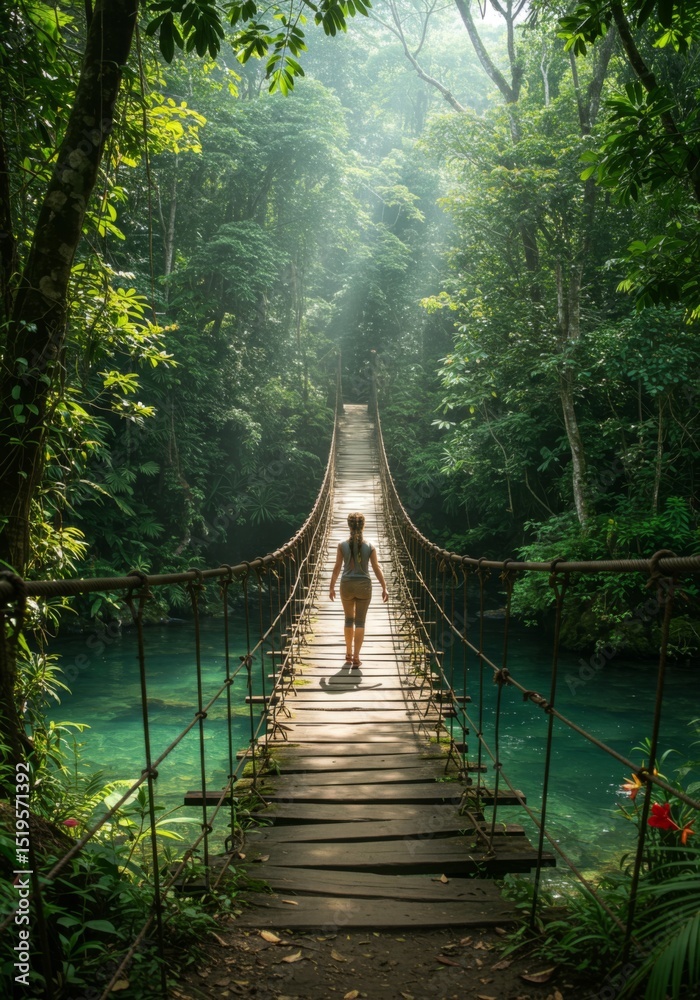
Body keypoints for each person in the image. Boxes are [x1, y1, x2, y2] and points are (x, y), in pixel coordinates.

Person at [329, 511, 388, 667]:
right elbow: (376, 568)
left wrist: (331, 587)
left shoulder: (341, 545)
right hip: (364, 586)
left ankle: (348, 654)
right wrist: (384, 587)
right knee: (360, 622)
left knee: (349, 619)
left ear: (349, 525)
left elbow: (336, 568)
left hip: (346, 585)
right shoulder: (370, 546)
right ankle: (356, 657)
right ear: (363, 525)